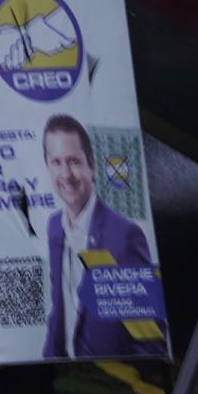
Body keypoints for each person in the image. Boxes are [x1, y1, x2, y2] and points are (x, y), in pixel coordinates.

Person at [41, 113, 167, 360]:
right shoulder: (54, 226)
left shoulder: (124, 236)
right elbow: (61, 308)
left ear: (92, 165)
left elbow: (149, 339)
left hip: (110, 384)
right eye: (56, 162)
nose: (65, 173)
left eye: (74, 161)